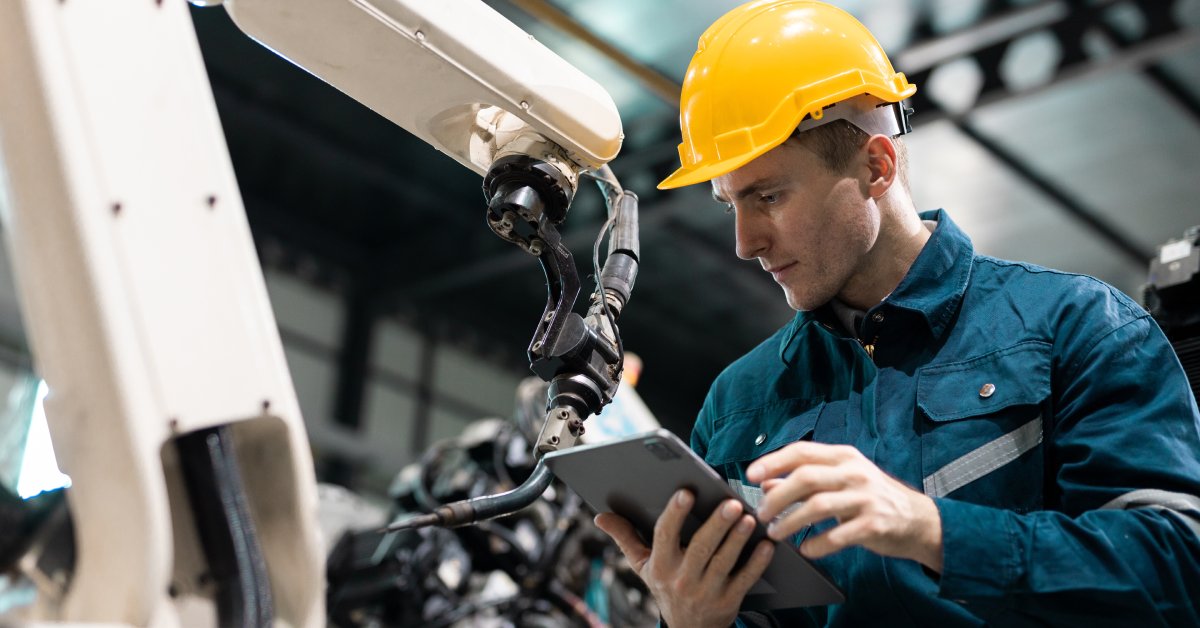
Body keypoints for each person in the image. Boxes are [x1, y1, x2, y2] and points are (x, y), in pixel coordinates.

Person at [592, 1, 1200, 626]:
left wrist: (932, 530)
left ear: (876, 167)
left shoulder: (1077, 327)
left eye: (768, 196)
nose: (745, 243)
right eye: (730, 206)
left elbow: (1177, 569)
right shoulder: (738, 403)